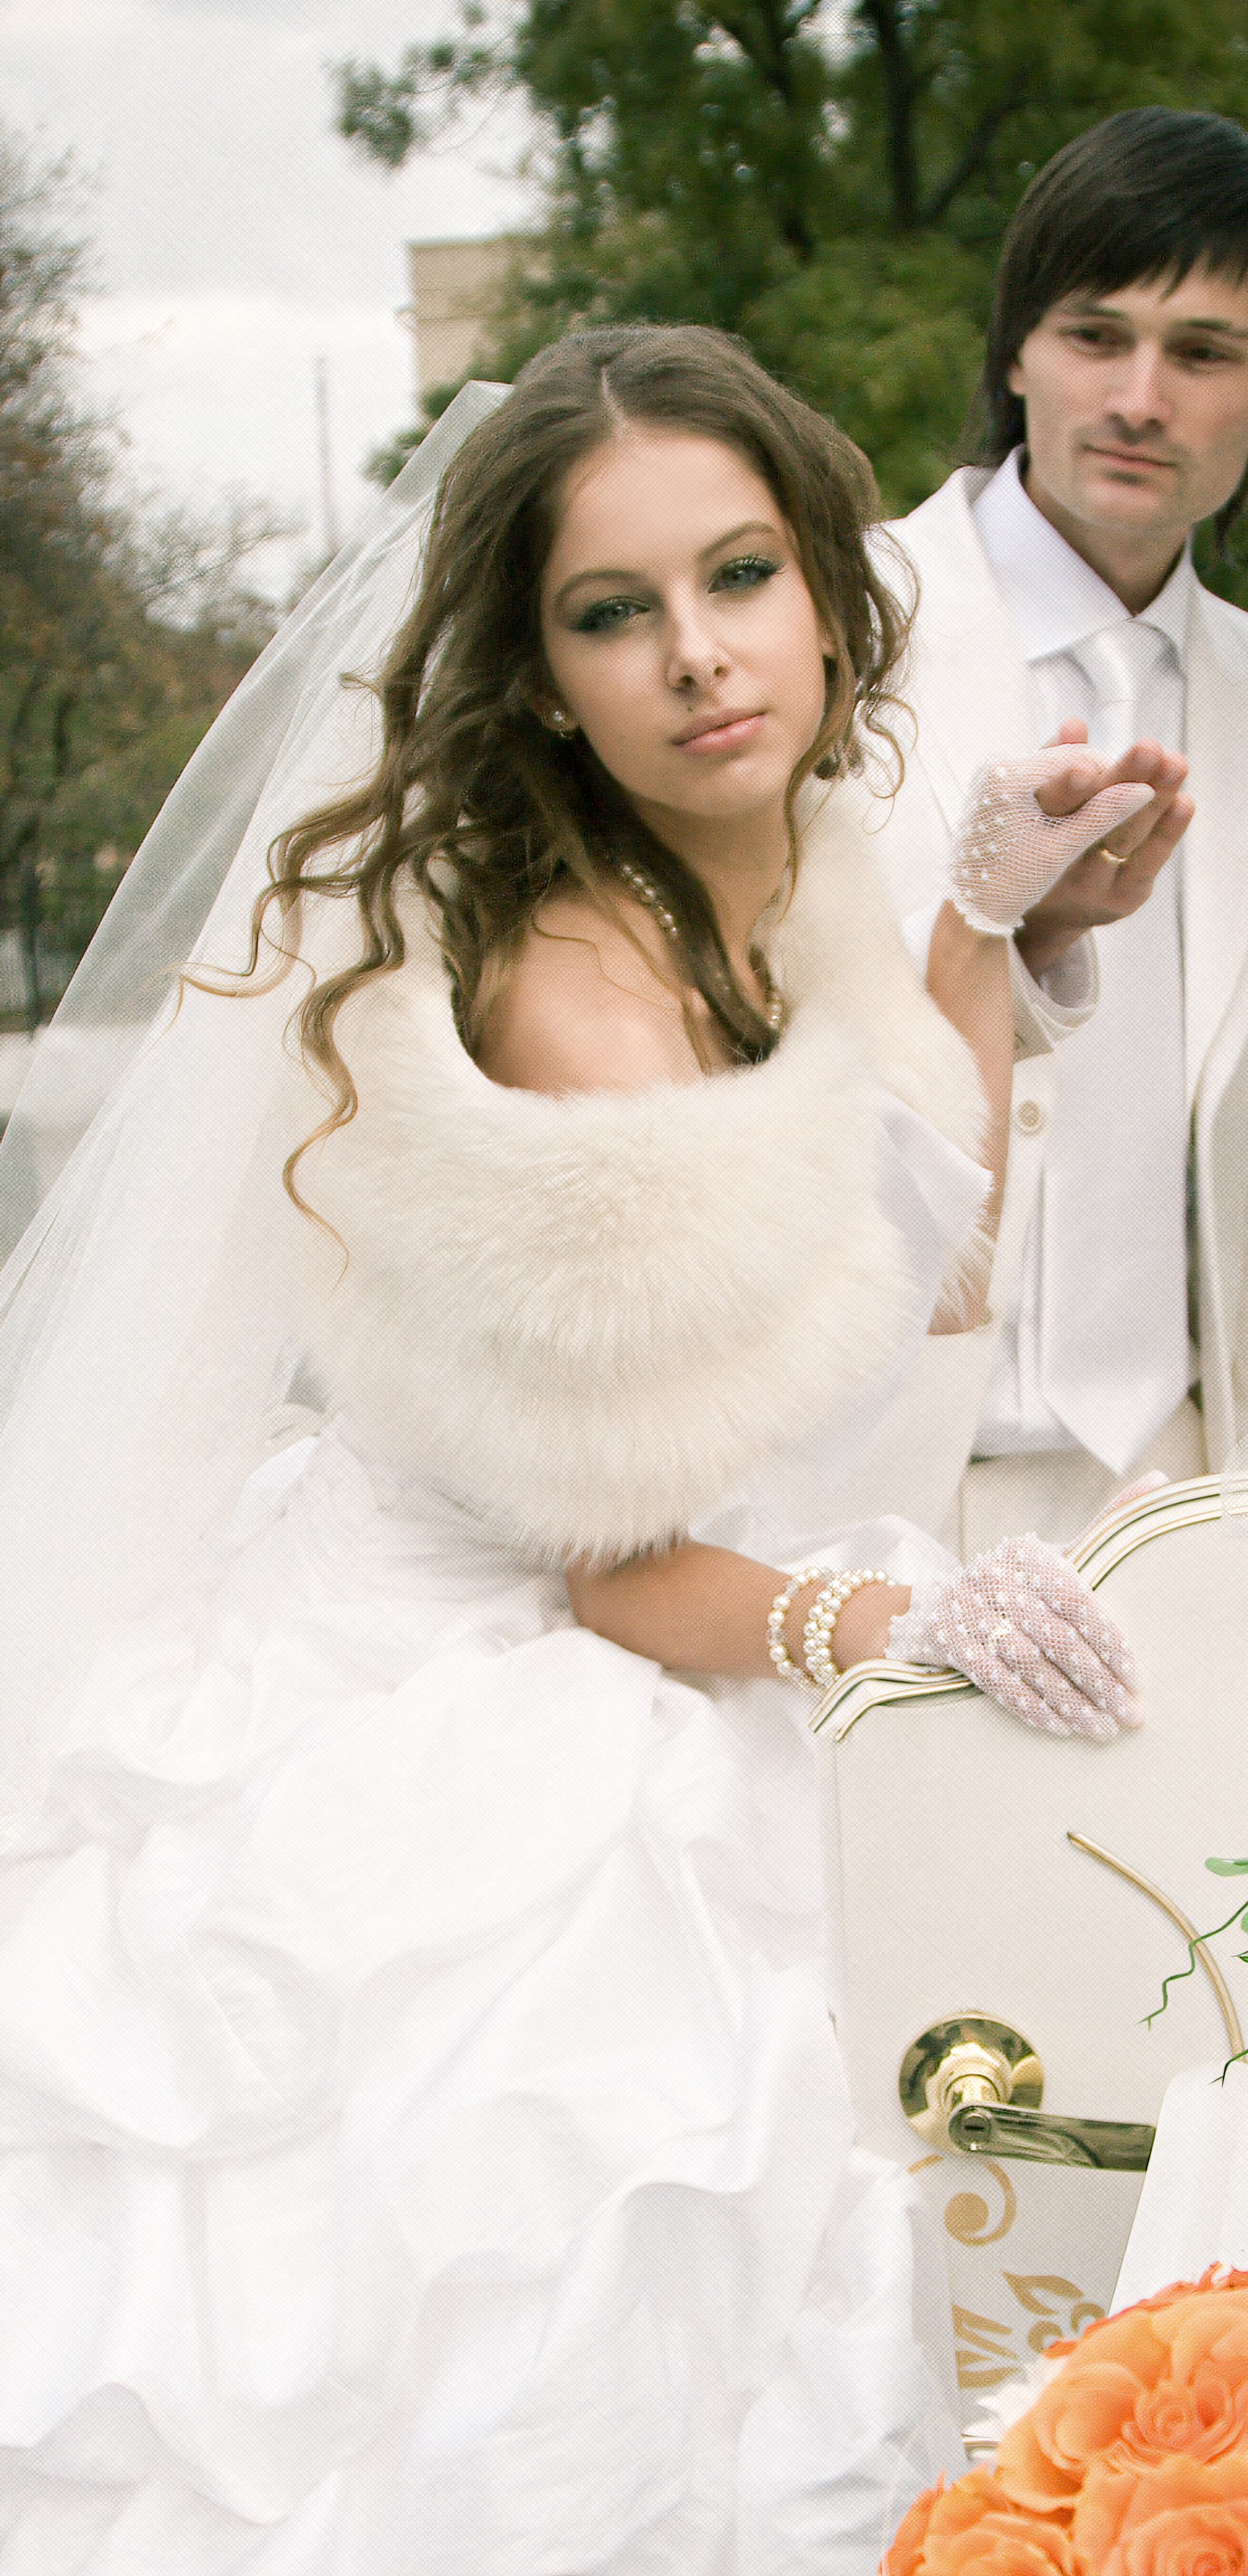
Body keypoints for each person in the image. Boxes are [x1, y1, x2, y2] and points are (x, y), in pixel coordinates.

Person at [0, 326, 1173, 2573]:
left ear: (827, 595)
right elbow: (622, 1571)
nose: (698, 658)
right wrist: (898, 1615)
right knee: (572, 2269)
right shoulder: (577, 996)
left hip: (672, 1581)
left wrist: (982, 925)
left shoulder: (790, 871)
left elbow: (910, 1247)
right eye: (611, 613)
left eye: (737, 578)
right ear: (539, 678)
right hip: (504, 1680)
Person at [806, 107, 1248, 1549]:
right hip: (864, 1473)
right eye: (1094, 335)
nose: (1139, 396)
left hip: (1173, 1479)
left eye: (1203, 352)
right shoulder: (834, 628)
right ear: (1015, 355)